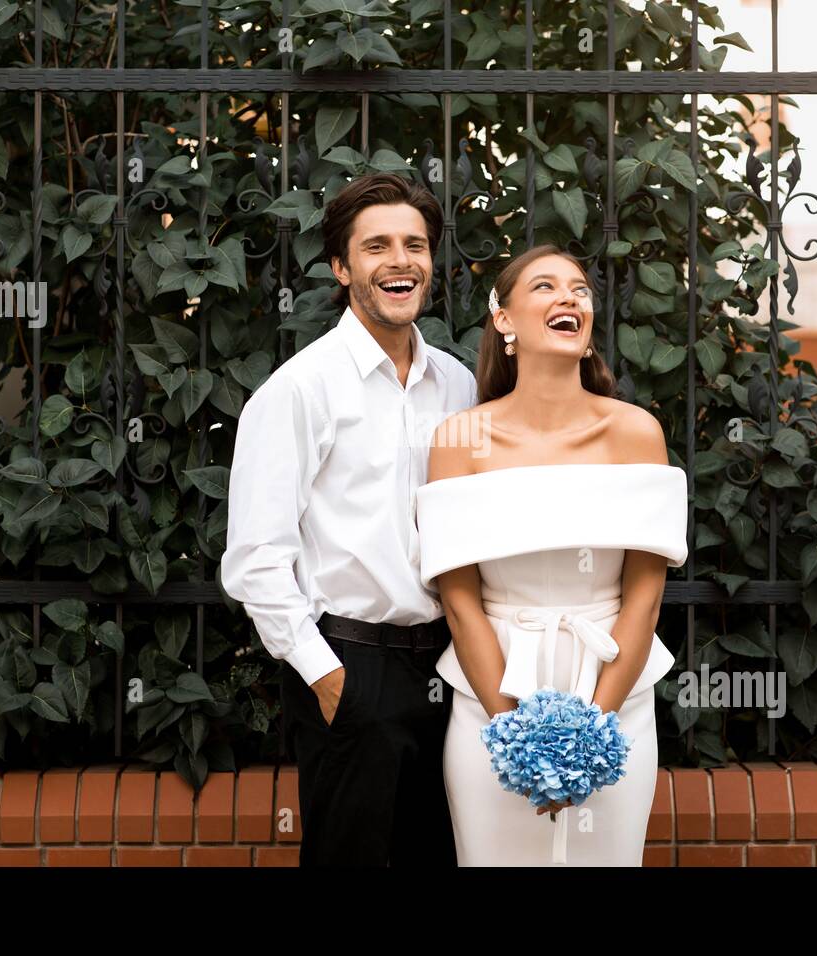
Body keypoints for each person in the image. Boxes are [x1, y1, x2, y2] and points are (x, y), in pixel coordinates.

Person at [219, 172, 477, 866]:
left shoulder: (459, 384)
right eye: (377, 247)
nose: (401, 261)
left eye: (415, 245)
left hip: (450, 669)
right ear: (341, 266)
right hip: (351, 667)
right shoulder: (299, 390)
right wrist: (328, 678)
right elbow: (256, 560)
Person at [416, 244, 688, 866]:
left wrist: (593, 732)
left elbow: (644, 600)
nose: (569, 298)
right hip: (491, 697)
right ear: (504, 319)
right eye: (544, 287)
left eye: (580, 290)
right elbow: (460, 604)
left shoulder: (636, 433)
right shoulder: (459, 440)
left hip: (616, 693)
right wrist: (513, 736)